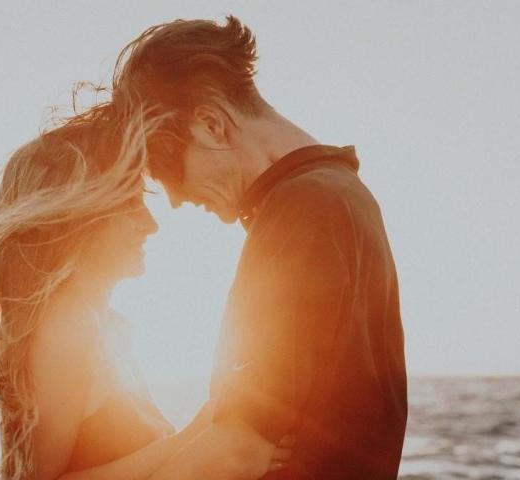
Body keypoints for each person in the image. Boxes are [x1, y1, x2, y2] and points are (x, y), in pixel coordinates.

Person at [111, 16, 408, 480]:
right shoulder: (335, 193)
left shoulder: (305, 206)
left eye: (166, 166)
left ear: (211, 124)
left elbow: (238, 451)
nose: (174, 198)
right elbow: (232, 423)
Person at [0, 100, 292, 480]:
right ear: (77, 217)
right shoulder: (66, 326)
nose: (150, 223)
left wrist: (219, 431)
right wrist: (205, 435)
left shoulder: (110, 329)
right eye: (129, 204)